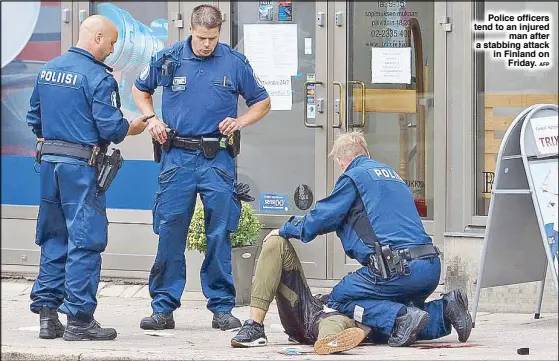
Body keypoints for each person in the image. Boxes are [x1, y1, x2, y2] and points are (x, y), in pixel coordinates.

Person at [233, 131, 472, 348]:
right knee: (392, 325)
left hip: (399, 270)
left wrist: (286, 229)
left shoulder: (353, 176)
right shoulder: (392, 176)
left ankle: (399, 315)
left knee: (341, 299)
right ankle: (445, 309)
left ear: (341, 162)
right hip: (429, 267)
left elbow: (323, 216)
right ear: (366, 153)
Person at [132, 4, 271, 331]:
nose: (207, 44)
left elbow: (262, 102)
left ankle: (222, 308)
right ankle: (163, 308)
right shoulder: (169, 58)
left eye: (213, 37)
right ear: (191, 30)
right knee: (170, 229)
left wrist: (239, 121)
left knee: (219, 232)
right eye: (201, 37)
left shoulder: (234, 63)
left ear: (219, 32)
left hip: (217, 158)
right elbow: (140, 90)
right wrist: (152, 119)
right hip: (177, 157)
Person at [26, 15, 151, 341]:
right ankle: (80, 320)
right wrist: (131, 127)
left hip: (50, 165)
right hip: (81, 170)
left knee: (53, 237)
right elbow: (111, 128)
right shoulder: (98, 78)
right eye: (111, 43)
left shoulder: (47, 69)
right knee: (85, 240)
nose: (112, 50)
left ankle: (47, 316)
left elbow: (34, 118)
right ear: (96, 37)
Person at [230, 234, 367, 355]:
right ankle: (254, 325)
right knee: (276, 242)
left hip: (337, 319)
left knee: (334, 321)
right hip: (309, 307)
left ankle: (329, 341)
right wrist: (287, 229)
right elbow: (322, 217)